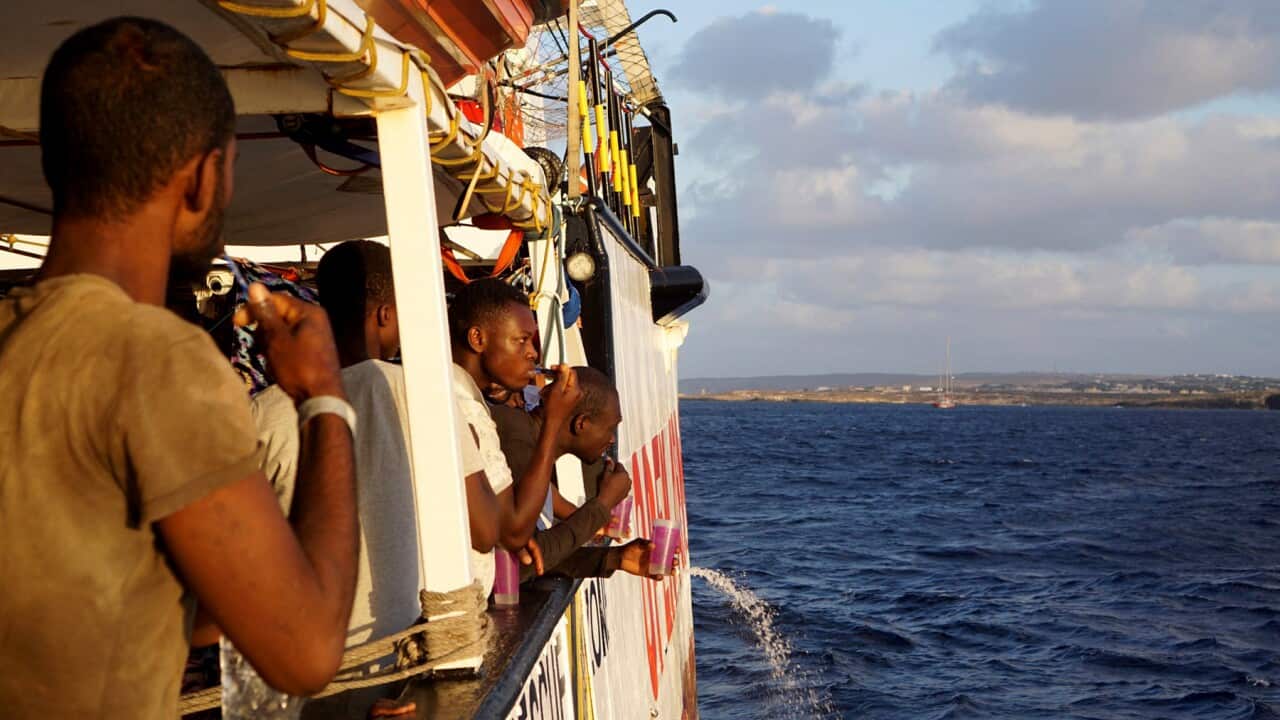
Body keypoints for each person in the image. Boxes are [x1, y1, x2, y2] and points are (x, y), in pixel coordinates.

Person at [0, 17, 359, 718]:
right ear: (200, 178)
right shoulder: (155, 359)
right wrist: (322, 395)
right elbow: (307, 651)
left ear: (54, 161)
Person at [252, 240, 499, 648]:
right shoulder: (423, 395)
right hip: (398, 650)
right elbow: (486, 529)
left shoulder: (264, 410)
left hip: (296, 654)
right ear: (385, 314)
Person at [448, 278, 583, 595]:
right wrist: (553, 422)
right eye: (521, 341)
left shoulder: (460, 395)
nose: (533, 353)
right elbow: (513, 531)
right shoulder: (465, 407)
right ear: (477, 338)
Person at [490, 369, 659, 580]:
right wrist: (603, 504)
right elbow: (519, 565)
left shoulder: (529, 442)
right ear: (581, 424)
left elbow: (538, 553)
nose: (612, 440)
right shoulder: (516, 445)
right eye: (610, 429)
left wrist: (615, 558)